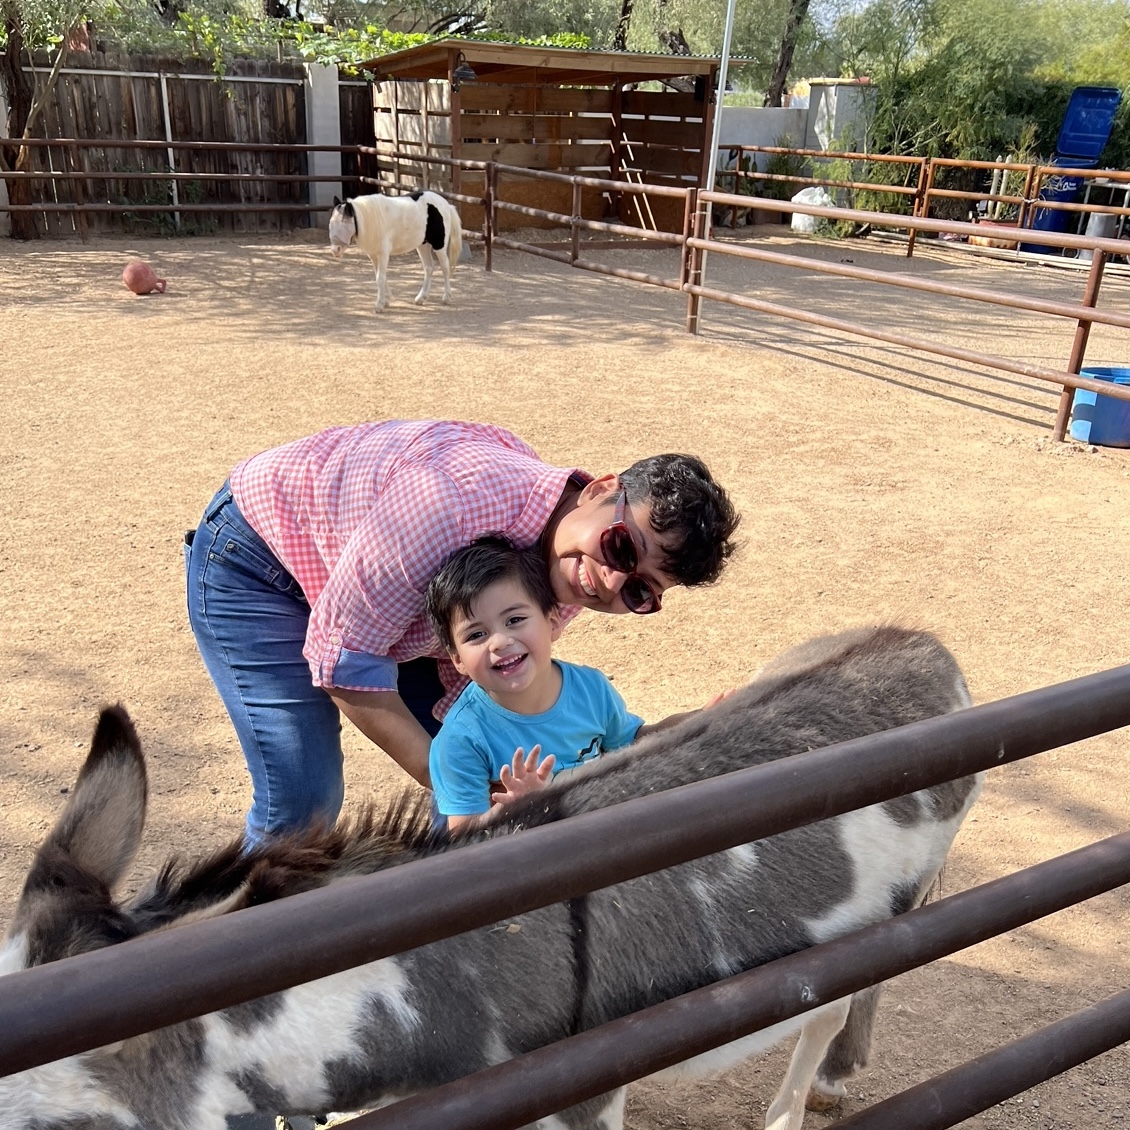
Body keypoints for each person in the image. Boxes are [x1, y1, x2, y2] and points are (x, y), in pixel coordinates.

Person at [184, 419, 739, 845]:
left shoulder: (569, 559)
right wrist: (452, 776)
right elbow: (344, 656)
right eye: (622, 547)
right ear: (600, 489)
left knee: (482, 773)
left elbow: (490, 713)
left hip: (397, 592)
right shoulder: (447, 505)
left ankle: (451, 929)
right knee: (303, 803)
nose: (611, 581)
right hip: (262, 561)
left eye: (639, 591)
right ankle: (244, 950)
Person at [426, 537, 722, 834]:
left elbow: (630, 741)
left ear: (553, 622)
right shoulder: (461, 738)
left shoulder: (591, 689)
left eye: (514, 619)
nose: (500, 642)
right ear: (457, 659)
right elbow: (461, 834)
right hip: (520, 849)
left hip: (588, 831)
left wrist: (695, 721)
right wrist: (515, 809)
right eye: (476, 635)